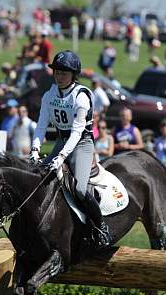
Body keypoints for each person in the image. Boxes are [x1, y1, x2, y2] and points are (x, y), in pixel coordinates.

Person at [29, 50, 111, 248]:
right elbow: (41, 125)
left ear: (74, 75)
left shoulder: (81, 96)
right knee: (36, 178)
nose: (59, 76)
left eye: (64, 73)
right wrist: (35, 149)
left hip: (82, 144)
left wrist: (61, 156)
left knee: (80, 190)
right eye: (57, 72)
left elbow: (76, 131)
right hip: (61, 140)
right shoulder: (49, 95)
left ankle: (101, 228)